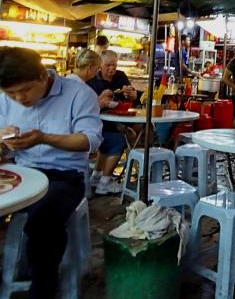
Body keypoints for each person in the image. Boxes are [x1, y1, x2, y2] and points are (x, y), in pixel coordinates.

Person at [0, 47, 102, 298]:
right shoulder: (6, 97)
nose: (19, 98)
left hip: (65, 175)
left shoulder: (79, 94)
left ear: (43, 76)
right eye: (11, 94)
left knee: (44, 219)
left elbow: (90, 141)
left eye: (25, 90)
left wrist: (44, 138)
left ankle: (42, 287)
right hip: (20, 169)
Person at [87, 50, 137, 194]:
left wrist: (132, 94)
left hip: (116, 122)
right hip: (95, 124)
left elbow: (132, 96)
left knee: (136, 131)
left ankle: (96, 176)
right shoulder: (92, 80)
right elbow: (86, 107)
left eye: (114, 65)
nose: (112, 69)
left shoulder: (120, 76)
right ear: (100, 66)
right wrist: (100, 101)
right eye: (108, 65)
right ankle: (105, 182)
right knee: (118, 140)